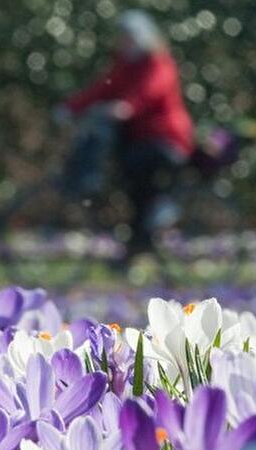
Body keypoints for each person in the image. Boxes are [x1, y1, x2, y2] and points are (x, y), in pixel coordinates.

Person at [56, 10, 193, 264]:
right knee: (128, 181)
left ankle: (150, 226)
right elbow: (101, 89)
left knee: (135, 172)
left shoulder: (158, 63)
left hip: (166, 141)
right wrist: (71, 107)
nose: (124, 41)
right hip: (137, 139)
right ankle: (137, 243)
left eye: (129, 37)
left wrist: (126, 107)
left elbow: (149, 91)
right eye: (122, 37)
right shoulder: (125, 64)